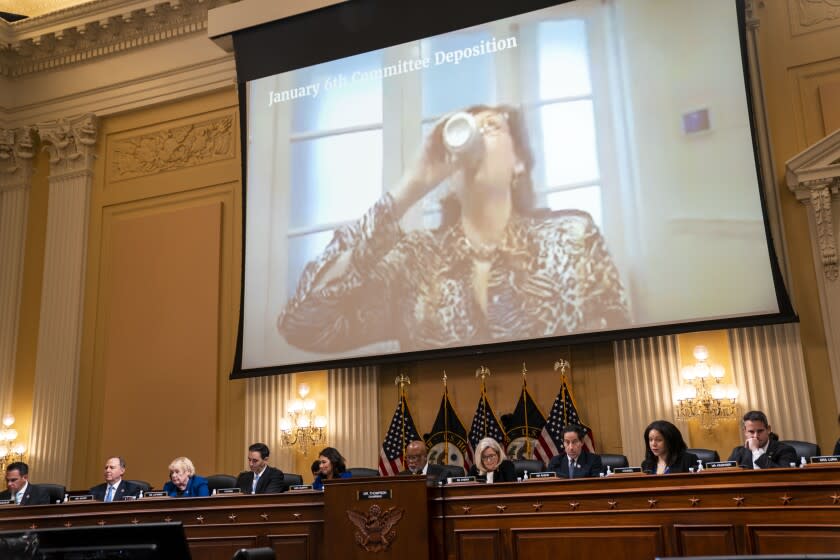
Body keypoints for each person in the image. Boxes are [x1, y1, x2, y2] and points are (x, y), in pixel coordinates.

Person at [278, 104, 629, 354]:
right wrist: (412, 185)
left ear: (519, 161)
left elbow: (619, 344)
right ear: (449, 183)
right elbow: (303, 325)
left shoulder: (573, 237)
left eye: (491, 127)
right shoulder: (413, 260)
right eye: (464, 134)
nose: (474, 139)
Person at [727, 410, 798, 469]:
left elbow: (781, 476)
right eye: (751, 432)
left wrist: (755, 451)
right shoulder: (738, 452)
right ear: (745, 432)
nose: (756, 436)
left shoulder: (785, 450)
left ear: (768, 429)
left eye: (760, 431)